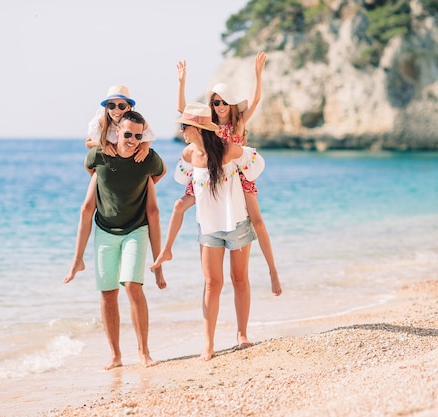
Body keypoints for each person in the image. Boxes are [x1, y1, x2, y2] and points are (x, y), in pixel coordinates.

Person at [151, 52, 282, 297]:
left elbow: (255, 101)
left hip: (237, 178)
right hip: (207, 178)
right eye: (215, 103)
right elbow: (184, 111)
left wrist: (258, 75)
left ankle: (272, 270)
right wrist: (181, 82)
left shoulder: (238, 123)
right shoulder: (207, 124)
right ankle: (166, 250)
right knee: (179, 205)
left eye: (223, 102)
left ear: (231, 104)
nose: (220, 107)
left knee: (258, 221)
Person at [64, 110, 167, 370]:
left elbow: (160, 173)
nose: (132, 139)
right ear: (117, 132)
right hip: (105, 230)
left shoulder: (148, 158)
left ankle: (144, 352)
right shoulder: (99, 155)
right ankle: (115, 356)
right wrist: (78, 258)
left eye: (137, 135)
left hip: (136, 229)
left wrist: (159, 262)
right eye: (127, 134)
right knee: (108, 293)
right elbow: (89, 168)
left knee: (133, 285)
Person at [172, 102, 266, 360]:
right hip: (209, 227)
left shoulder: (228, 149)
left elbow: (255, 162)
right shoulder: (190, 153)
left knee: (239, 279)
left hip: (236, 222)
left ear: (198, 129)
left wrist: (245, 181)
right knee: (212, 284)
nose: (182, 131)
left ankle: (242, 334)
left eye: (185, 127)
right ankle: (208, 345)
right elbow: (181, 178)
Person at [64, 85, 165, 287]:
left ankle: (158, 267)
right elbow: (87, 144)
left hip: (131, 171)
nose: (116, 109)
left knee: (153, 212)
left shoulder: (136, 122)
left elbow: (147, 139)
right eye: (111, 104)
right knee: (86, 209)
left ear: (129, 107)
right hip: (106, 167)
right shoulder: (101, 121)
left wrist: (143, 149)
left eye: (121, 105)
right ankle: (77, 260)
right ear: (106, 106)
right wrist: (104, 145)